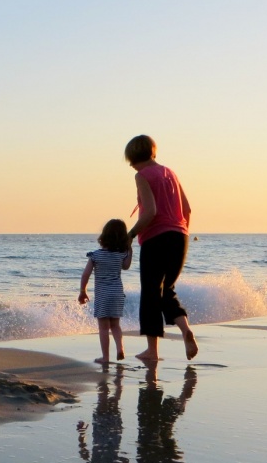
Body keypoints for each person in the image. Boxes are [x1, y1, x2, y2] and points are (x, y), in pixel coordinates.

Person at [124, 135, 198, 363]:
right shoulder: (170, 173)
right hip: (180, 236)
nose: (132, 167)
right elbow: (187, 210)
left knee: (150, 293)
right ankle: (185, 329)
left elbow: (150, 212)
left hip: (156, 239)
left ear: (134, 158)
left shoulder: (142, 175)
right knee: (168, 290)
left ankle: (152, 351)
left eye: (131, 163)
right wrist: (181, 232)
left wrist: (130, 235)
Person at [78, 218, 133, 364]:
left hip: (103, 295)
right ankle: (120, 348)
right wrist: (129, 250)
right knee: (115, 325)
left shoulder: (95, 255)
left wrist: (83, 291)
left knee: (103, 328)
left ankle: (105, 357)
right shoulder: (121, 254)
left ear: (104, 236)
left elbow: (85, 275)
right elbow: (126, 266)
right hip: (117, 293)